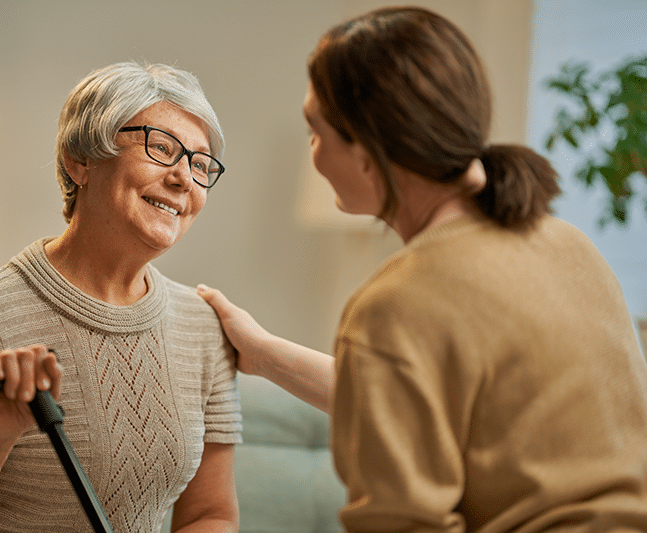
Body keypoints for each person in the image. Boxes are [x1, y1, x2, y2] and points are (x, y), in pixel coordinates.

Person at [197, 6, 647, 532]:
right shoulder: (566, 244)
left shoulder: (399, 302)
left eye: (315, 132)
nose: (313, 153)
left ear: (367, 152)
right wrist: (265, 354)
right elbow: (424, 402)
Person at [0, 61, 242, 533]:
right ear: (82, 160)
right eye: (161, 148)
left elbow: (210, 514)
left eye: (200, 165)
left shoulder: (203, 325)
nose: (184, 179)